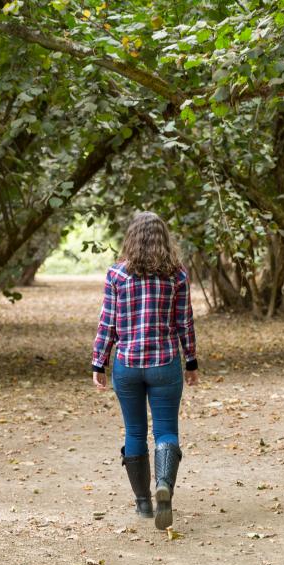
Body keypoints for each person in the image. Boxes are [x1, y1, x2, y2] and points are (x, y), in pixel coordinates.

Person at [91, 211, 199, 530]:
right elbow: (185, 322)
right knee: (166, 429)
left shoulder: (117, 275)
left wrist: (99, 362)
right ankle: (163, 484)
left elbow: (107, 322)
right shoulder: (177, 275)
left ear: (132, 239)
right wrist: (190, 361)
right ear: (164, 239)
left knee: (134, 431)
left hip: (127, 364)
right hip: (165, 362)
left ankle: (143, 504)